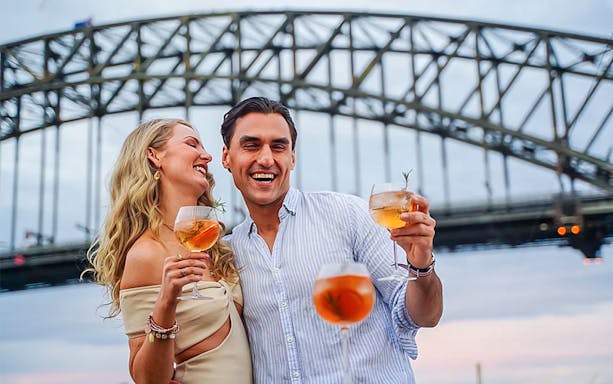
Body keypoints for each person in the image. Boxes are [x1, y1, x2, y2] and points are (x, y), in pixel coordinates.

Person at [220, 97, 443, 383]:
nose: (266, 159)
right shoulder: (228, 252)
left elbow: (425, 315)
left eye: (279, 146)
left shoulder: (348, 214)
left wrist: (421, 266)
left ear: (292, 157)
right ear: (227, 157)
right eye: (251, 145)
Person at [85, 119, 252, 383]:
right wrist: (166, 302)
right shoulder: (146, 254)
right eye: (191, 144)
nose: (207, 156)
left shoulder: (217, 246)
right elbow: (146, 378)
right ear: (154, 155)